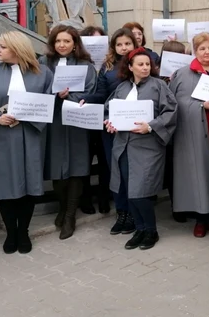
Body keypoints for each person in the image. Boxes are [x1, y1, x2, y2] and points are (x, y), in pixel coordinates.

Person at [0, 31, 54, 255]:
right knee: (4, 185)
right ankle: (10, 232)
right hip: (0, 136)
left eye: (2, 47)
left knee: (29, 184)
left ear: (17, 48)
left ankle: (24, 232)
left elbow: (49, 101)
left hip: (31, 135)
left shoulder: (43, 73)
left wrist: (30, 114)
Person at [105, 48, 177, 250]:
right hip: (123, 146)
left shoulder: (159, 86)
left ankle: (151, 230)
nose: (145, 67)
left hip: (148, 146)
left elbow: (171, 111)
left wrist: (151, 126)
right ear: (130, 67)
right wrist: (110, 122)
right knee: (129, 190)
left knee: (141, 191)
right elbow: (109, 109)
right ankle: (139, 229)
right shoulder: (122, 88)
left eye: (148, 64)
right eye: (140, 64)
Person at [170, 32, 209, 238]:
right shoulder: (183, 74)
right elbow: (176, 103)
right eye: (202, 48)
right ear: (195, 51)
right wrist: (200, 106)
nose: (207, 52)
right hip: (195, 134)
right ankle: (201, 220)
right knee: (198, 177)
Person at [39, 25, 98, 240]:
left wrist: (70, 97)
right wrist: (55, 96)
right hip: (53, 120)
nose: (62, 45)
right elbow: (37, 88)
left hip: (76, 120)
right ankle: (63, 208)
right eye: (58, 41)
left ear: (75, 44)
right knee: (57, 168)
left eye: (67, 41)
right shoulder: (44, 63)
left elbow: (90, 91)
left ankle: (70, 215)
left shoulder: (86, 65)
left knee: (76, 167)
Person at [82, 28, 138, 235]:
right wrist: (85, 99)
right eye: (119, 44)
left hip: (136, 128)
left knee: (133, 171)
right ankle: (122, 212)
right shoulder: (107, 68)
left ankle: (134, 212)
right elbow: (100, 94)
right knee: (117, 171)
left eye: (128, 44)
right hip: (111, 128)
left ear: (134, 44)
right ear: (113, 47)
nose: (124, 48)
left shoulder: (142, 62)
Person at [79, 25, 110, 215]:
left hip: (105, 118)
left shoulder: (110, 65)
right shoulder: (81, 65)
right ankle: (85, 199)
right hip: (86, 117)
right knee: (86, 159)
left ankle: (104, 198)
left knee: (105, 160)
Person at [159, 39, 189, 223]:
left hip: (184, 126)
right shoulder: (158, 79)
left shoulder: (186, 74)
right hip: (170, 131)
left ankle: (183, 204)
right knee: (172, 171)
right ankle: (176, 206)